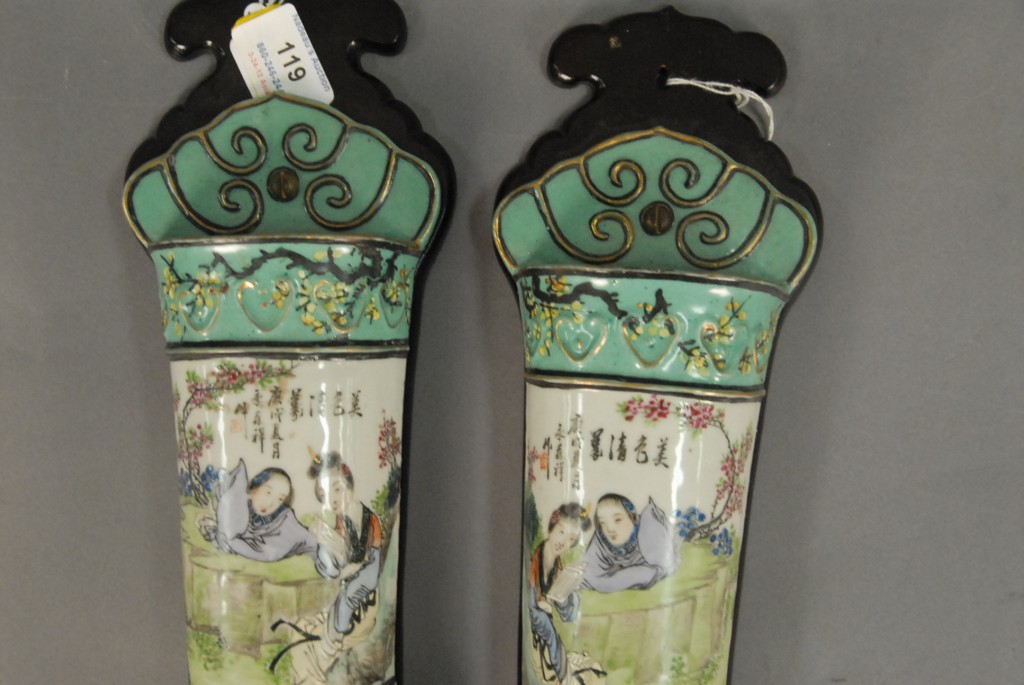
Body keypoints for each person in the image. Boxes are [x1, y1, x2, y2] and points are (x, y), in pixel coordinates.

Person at [290, 451, 384, 682]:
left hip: (369, 565)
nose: (332, 500)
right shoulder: (343, 516)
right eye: (324, 495)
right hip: (354, 564)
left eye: (337, 490)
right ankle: (331, 633)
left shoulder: (361, 514)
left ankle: (333, 642)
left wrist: (346, 567)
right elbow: (343, 546)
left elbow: (361, 555)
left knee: (348, 597)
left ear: (350, 485)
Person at [200, 461, 333, 569]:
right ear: (255, 487)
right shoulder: (244, 507)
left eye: (280, 499)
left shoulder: (285, 521)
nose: (270, 504)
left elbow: (268, 553)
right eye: (268, 493)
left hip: (316, 546)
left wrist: (231, 542)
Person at [528, 503, 592, 684]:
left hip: (547, 607)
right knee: (547, 627)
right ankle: (565, 676)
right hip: (537, 612)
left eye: (571, 539)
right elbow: (533, 599)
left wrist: (566, 589)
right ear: (551, 527)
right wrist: (542, 603)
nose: (563, 542)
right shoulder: (537, 557)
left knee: (573, 598)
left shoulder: (557, 565)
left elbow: (564, 609)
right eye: (561, 532)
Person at [581, 494, 678, 593]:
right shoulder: (601, 538)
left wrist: (608, 582)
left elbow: (661, 568)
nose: (609, 529)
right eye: (602, 522)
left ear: (633, 517)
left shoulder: (648, 525)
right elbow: (588, 577)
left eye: (617, 520)